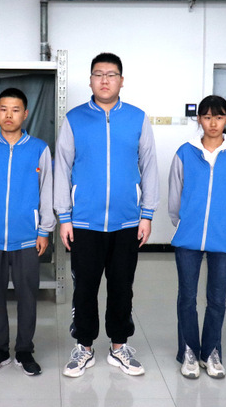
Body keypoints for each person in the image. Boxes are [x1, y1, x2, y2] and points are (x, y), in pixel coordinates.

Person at [55, 52, 159, 377]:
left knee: (122, 287)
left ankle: (119, 347)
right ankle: (84, 348)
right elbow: (62, 168)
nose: (104, 80)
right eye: (98, 74)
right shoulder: (74, 119)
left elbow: (149, 166)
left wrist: (147, 214)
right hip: (84, 222)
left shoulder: (137, 118)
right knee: (85, 288)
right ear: (90, 80)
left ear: (121, 81)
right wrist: (64, 217)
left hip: (127, 221)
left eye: (111, 74)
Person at [0, 88, 54, 377]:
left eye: (15, 109)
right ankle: (0, 349)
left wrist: (44, 230)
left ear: (25, 114)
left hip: (28, 237)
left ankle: (25, 349)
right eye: (4, 109)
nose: (9, 115)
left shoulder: (39, 149)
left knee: (27, 295)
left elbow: (47, 191)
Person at [168, 95, 226, 379]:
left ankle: (211, 352)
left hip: (224, 238)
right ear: (199, 119)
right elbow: (174, 195)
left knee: (217, 299)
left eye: (218, 117)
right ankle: (189, 351)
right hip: (188, 238)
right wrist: (182, 224)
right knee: (187, 297)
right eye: (207, 117)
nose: (213, 123)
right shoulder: (185, 152)